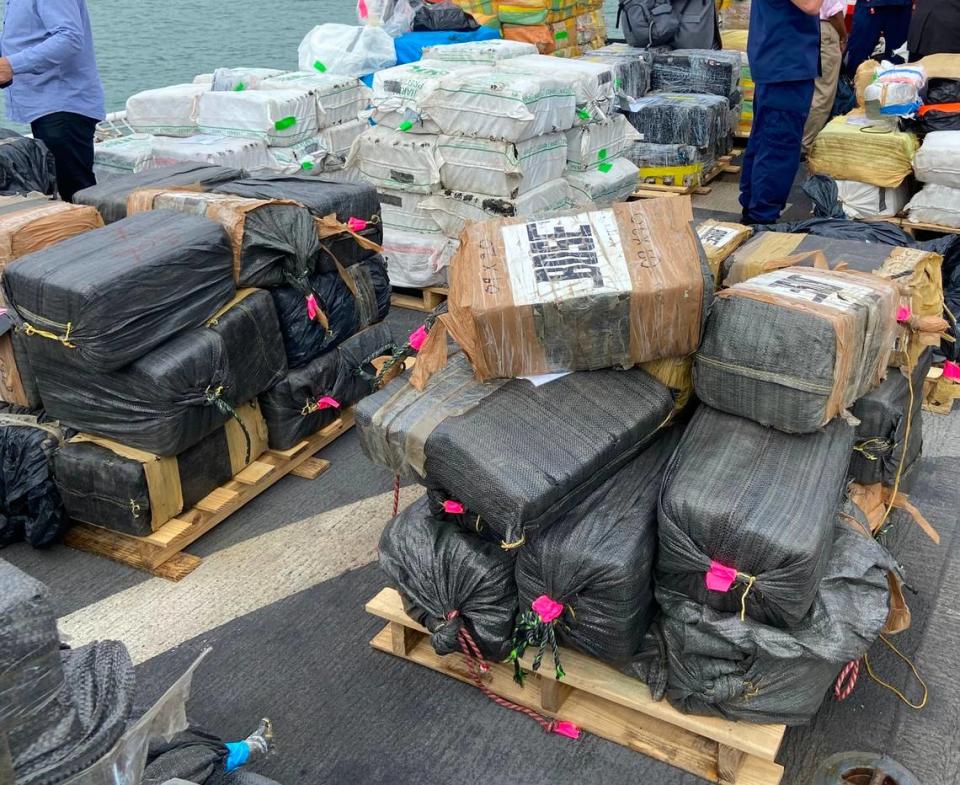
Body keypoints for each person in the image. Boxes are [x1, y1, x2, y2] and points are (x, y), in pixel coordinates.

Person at [0, 0, 105, 201]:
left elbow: (70, 38)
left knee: (75, 193)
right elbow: (22, 38)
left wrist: (12, 65)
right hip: (44, 105)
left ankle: (93, 230)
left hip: (63, 105)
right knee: (59, 189)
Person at [739, 0, 822, 225]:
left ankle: (754, 209)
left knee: (765, 139)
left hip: (779, 59)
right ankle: (761, 217)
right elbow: (811, 5)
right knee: (779, 144)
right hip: (786, 63)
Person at [802, 0, 848, 153]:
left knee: (807, 88)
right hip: (825, 28)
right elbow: (834, 11)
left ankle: (798, 140)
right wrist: (843, 36)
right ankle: (805, 144)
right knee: (822, 92)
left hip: (806, 28)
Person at [842, 0, 913, 78]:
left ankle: (894, 87)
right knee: (858, 55)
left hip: (900, 6)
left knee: (897, 57)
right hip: (869, 5)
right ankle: (850, 84)